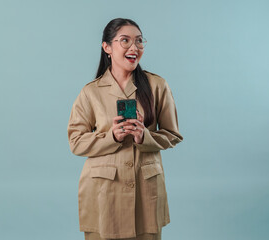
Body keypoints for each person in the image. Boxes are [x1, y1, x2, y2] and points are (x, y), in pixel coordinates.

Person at [67, 18, 183, 240]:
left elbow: (173, 134)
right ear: (107, 48)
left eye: (139, 41)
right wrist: (112, 137)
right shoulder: (90, 92)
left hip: (145, 190)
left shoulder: (157, 86)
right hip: (103, 191)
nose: (134, 47)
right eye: (125, 41)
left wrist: (144, 136)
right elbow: (76, 141)